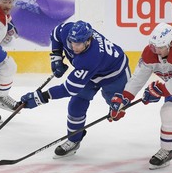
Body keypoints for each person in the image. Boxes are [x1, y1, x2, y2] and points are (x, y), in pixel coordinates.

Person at [20, 20, 131, 158]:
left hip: (115, 75)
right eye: (71, 42)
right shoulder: (68, 31)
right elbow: (55, 34)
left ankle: (118, 104)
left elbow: (69, 89)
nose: (73, 46)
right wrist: (56, 57)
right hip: (91, 74)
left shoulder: (90, 58)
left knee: (117, 107)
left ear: (88, 41)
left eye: (78, 44)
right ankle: (74, 139)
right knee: (76, 105)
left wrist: (41, 97)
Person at [109, 22, 172, 170]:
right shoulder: (151, 53)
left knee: (169, 111)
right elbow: (138, 78)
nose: (156, 50)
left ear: (171, 43)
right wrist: (124, 99)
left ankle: (167, 151)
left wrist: (158, 90)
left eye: (160, 47)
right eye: (153, 46)